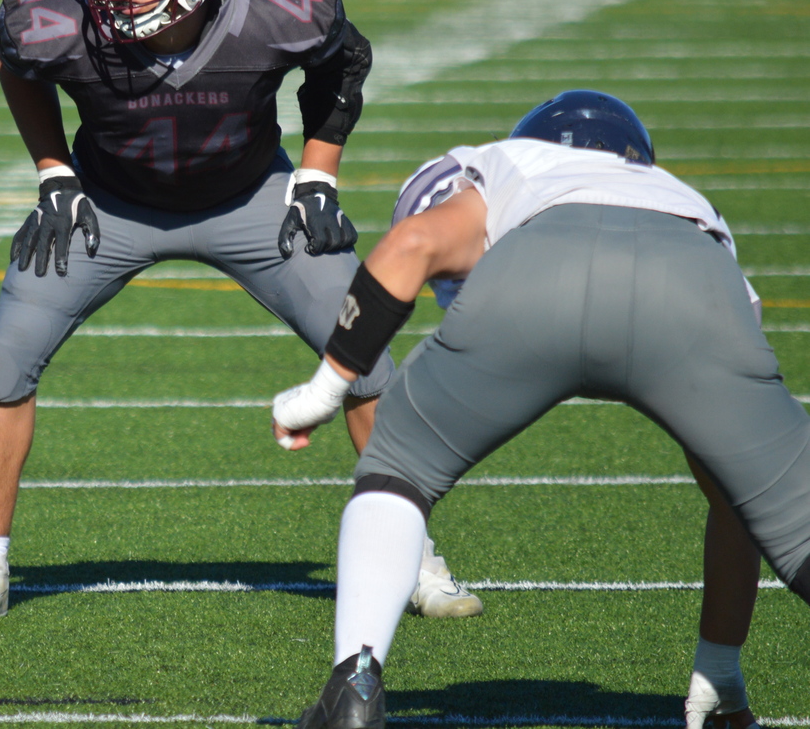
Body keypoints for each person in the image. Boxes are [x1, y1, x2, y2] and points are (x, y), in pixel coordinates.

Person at [0, 0, 479, 626]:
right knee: (1, 359)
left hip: (251, 195)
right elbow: (17, 64)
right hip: (107, 201)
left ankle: (414, 553)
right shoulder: (49, 14)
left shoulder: (282, 4)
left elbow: (343, 62)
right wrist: (52, 168)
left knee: (362, 351)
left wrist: (318, 174)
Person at [270, 91, 810, 729]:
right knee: (788, 517)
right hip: (693, 287)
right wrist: (720, 664)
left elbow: (414, 241)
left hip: (537, 275)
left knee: (397, 464)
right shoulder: (687, 201)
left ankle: (354, 687)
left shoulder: (516, 163)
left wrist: (327, 386)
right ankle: (718, 679)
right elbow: (732, 499)